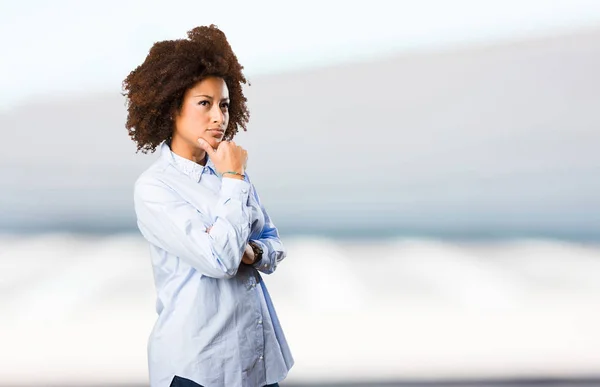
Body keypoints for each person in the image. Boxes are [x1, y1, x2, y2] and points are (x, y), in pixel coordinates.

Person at [122, 25, 293, 387]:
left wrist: (255, 251)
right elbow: (219, 261)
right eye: (205, 103)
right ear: (171, 109)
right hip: (199, 369)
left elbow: (274, 243)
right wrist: (233, 178)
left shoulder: (231, 175)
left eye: (225, 105)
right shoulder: (156, 188)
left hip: (257, 363)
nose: (219, 117)